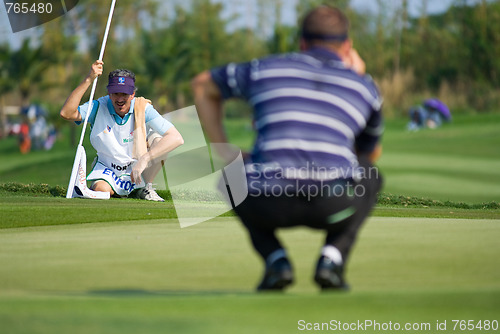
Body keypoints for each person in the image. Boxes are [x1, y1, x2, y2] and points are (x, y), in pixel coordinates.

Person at [192, 6, 383, 291]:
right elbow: (368, 154)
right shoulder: (364, 86)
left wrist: (225, 149)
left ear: (302, 43)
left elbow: (202, 84)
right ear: (347, 46)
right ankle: (332, 259)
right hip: (333, 206)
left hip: (268, 203)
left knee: (231, 175)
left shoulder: (263, 69)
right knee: (371, 174)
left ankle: (276, 260)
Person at [60, 60, 184, 201]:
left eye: (124, 94)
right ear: (109, 93)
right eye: (115, 93)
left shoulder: (142, 108)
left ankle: (146, 188)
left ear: (132, 94)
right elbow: (67, 113)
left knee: (159, 140)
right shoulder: (98, 106)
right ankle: (113, 190)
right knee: (102, 190)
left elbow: (176, 138)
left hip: (138, 168)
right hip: (107, 168)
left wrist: (145, 159)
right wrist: (89, 79)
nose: (120, 99)